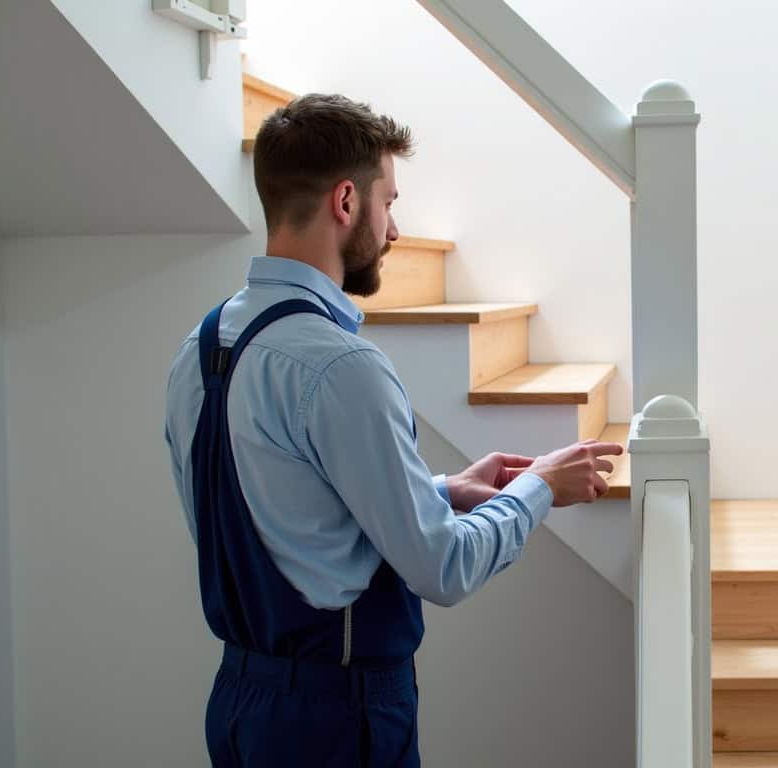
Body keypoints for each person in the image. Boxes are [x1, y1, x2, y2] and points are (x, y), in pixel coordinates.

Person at [163, 93, 623, 767]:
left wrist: (442, 490)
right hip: (338, 720)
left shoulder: (198, 349)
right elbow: (445, 567)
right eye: (389, 203)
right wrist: (543, 488)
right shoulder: (340, 366)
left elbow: (284, 515)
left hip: (238, 706)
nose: (396, 230)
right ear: (346, 201)